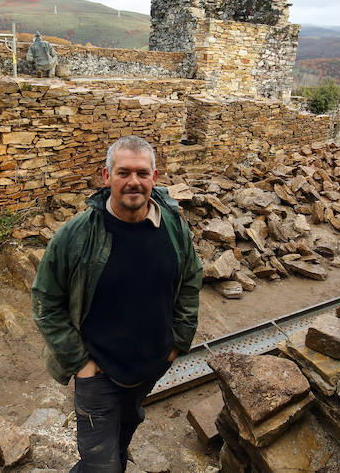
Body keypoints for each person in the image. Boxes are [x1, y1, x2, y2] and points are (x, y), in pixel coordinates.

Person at [32, 136, 203, 472]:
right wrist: (80, 363)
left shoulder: (173, 225)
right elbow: (45, 301)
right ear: (106, 176)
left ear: (155, 178)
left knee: (122, 443)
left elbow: (191, 280)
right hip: (98, 375)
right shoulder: (76, 235)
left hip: (150, 368)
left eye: (142, 173)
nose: (134, 182)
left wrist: (177, 343)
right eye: (123, 172)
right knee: (100, 465)